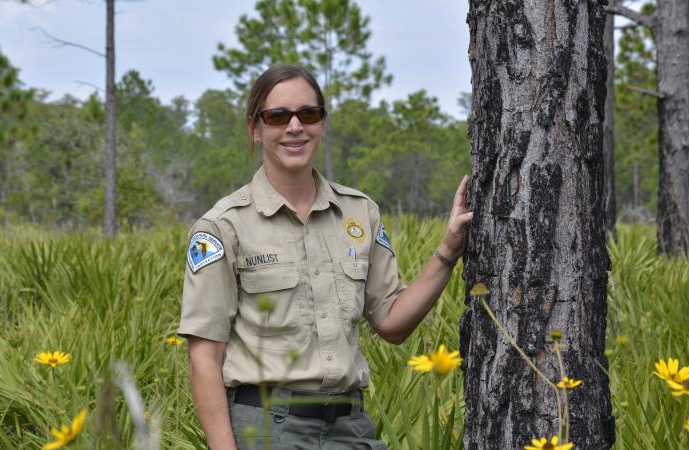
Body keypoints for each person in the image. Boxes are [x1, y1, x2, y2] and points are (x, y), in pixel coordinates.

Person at [177, 64, 473, 450]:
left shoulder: (359, 213)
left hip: (350, 428)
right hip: (267, 430)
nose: (295, 126)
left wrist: (448, 252)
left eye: (308, 114)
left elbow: (392, 323)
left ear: (322, 123)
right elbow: (204, 358)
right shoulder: (222, 227)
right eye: (278, 116)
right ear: (255, 128)